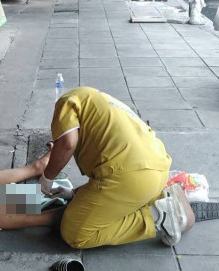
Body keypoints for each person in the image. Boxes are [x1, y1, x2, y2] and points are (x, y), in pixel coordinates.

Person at [39, 87, 196, 248]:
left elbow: (67, 144)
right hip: (158, 170)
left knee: (74, 233)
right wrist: (72, 193)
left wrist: (47, 178)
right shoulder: (95, 101)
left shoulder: (66, 103)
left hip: (132, 179)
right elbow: (110, 165)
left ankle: (158, 217)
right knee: (110, 193)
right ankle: (162, 199)